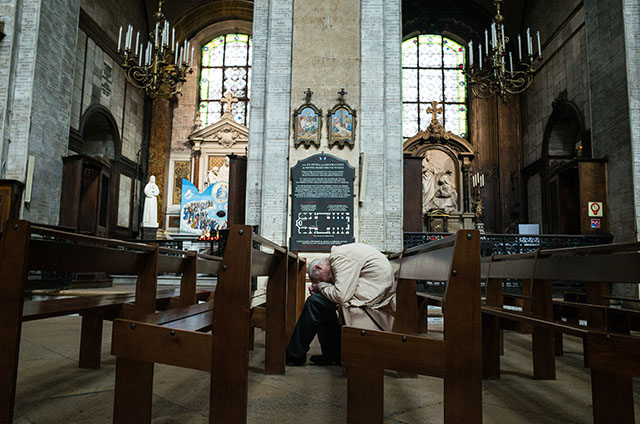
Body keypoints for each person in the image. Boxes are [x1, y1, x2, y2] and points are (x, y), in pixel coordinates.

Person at [285, 243, 396, 366]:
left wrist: (320, 286)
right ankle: (333, 355)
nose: (324, 282)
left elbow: (341, 296)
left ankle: (295, 355)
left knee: (315, 302)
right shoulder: (341, 256)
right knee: (320, 304)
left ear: (318, 268)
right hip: (373, 293)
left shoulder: (339, 257)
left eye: (318, 279)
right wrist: (323, 287)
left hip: (372, 297)